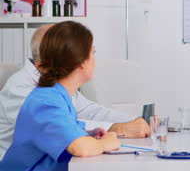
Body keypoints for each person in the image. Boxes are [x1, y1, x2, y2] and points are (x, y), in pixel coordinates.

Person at [0, 24, 149, 159]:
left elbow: (81, 117)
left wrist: (134, 121)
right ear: (80, 61)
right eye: (93, 53)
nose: (95, 60)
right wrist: (108, 139)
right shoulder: (39, 98)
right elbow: (79, 147)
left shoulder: (58, 92)